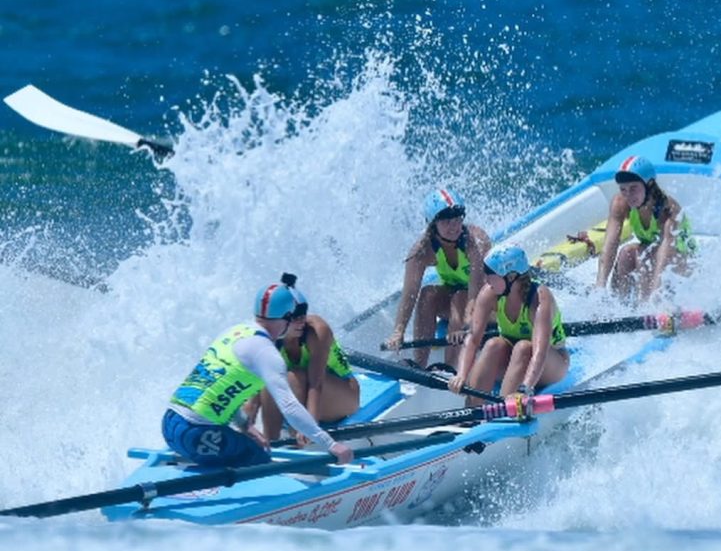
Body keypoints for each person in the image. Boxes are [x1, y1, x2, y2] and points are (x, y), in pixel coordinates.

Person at [161, 281, 353, 467]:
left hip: (169, 424)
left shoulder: (233, 332)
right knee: (260, 458)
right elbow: (289, 406)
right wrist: (330, 444)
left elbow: (220, 392)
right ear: (286, 318)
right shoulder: (266, 352)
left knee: (246, 445)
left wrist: (246, 426)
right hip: (196, 434)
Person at [384, 188, 492, 370]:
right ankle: (419, 365)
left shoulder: (476, 242)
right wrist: (398, 331)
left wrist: (466, 323)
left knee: (459, 297)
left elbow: (475, 293)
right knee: (427, 294)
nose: (454, 226)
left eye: (458, 219)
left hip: (489, 305)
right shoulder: (421, 251)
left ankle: (450, 368)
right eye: (447, 221)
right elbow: (410, 294)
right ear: (432, 224)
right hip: (457, 305)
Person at [448, 246, 569, 404]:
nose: (487, 280)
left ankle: (506, 409)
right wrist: (461, 375)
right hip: (515, 358)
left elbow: (540, 353)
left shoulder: (539, 299)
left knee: (524, 347)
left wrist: (525, 388)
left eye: (491, 275)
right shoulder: (489, 293)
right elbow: (473, 338)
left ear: (511, 276)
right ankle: (472, 409)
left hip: (552, 364)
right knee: (493, 344)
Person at [257, 273, 361, 442]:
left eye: (302, 316)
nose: (300, 322)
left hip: (345, 394)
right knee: (268, 381)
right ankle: (271, 446)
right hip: (302, 395)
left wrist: (310, 426)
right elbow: (253, 398)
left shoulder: (317, 330)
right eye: (294, 318)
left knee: (295, 377)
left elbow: (316, 383)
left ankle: (299, 445)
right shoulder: (266, 338)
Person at [594, 155, 697, 303]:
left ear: (649, 185)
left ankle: (644, 307)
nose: (628, 195)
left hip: (684, 262)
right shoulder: (620, 203)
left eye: (633, 188)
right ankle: (617, 306)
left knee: (644, 255)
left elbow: (665, 254)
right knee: (626, 253)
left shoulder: (667, 209)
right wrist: (600, 287)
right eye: (623, 189)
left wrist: (654, 298)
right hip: (653, 256)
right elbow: (609, 247)